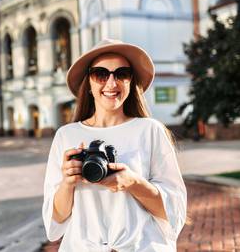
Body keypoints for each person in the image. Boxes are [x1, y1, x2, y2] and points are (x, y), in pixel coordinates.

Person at [42, 39, 187, 252]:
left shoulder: (150, 130)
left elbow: (174, 212)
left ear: (131, 82)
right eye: (100, 74)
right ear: (88, 83)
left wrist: (132, 182)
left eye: (122, 74)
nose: (111, 83)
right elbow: (55, 222)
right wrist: (67, 183)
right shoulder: (66, 136)